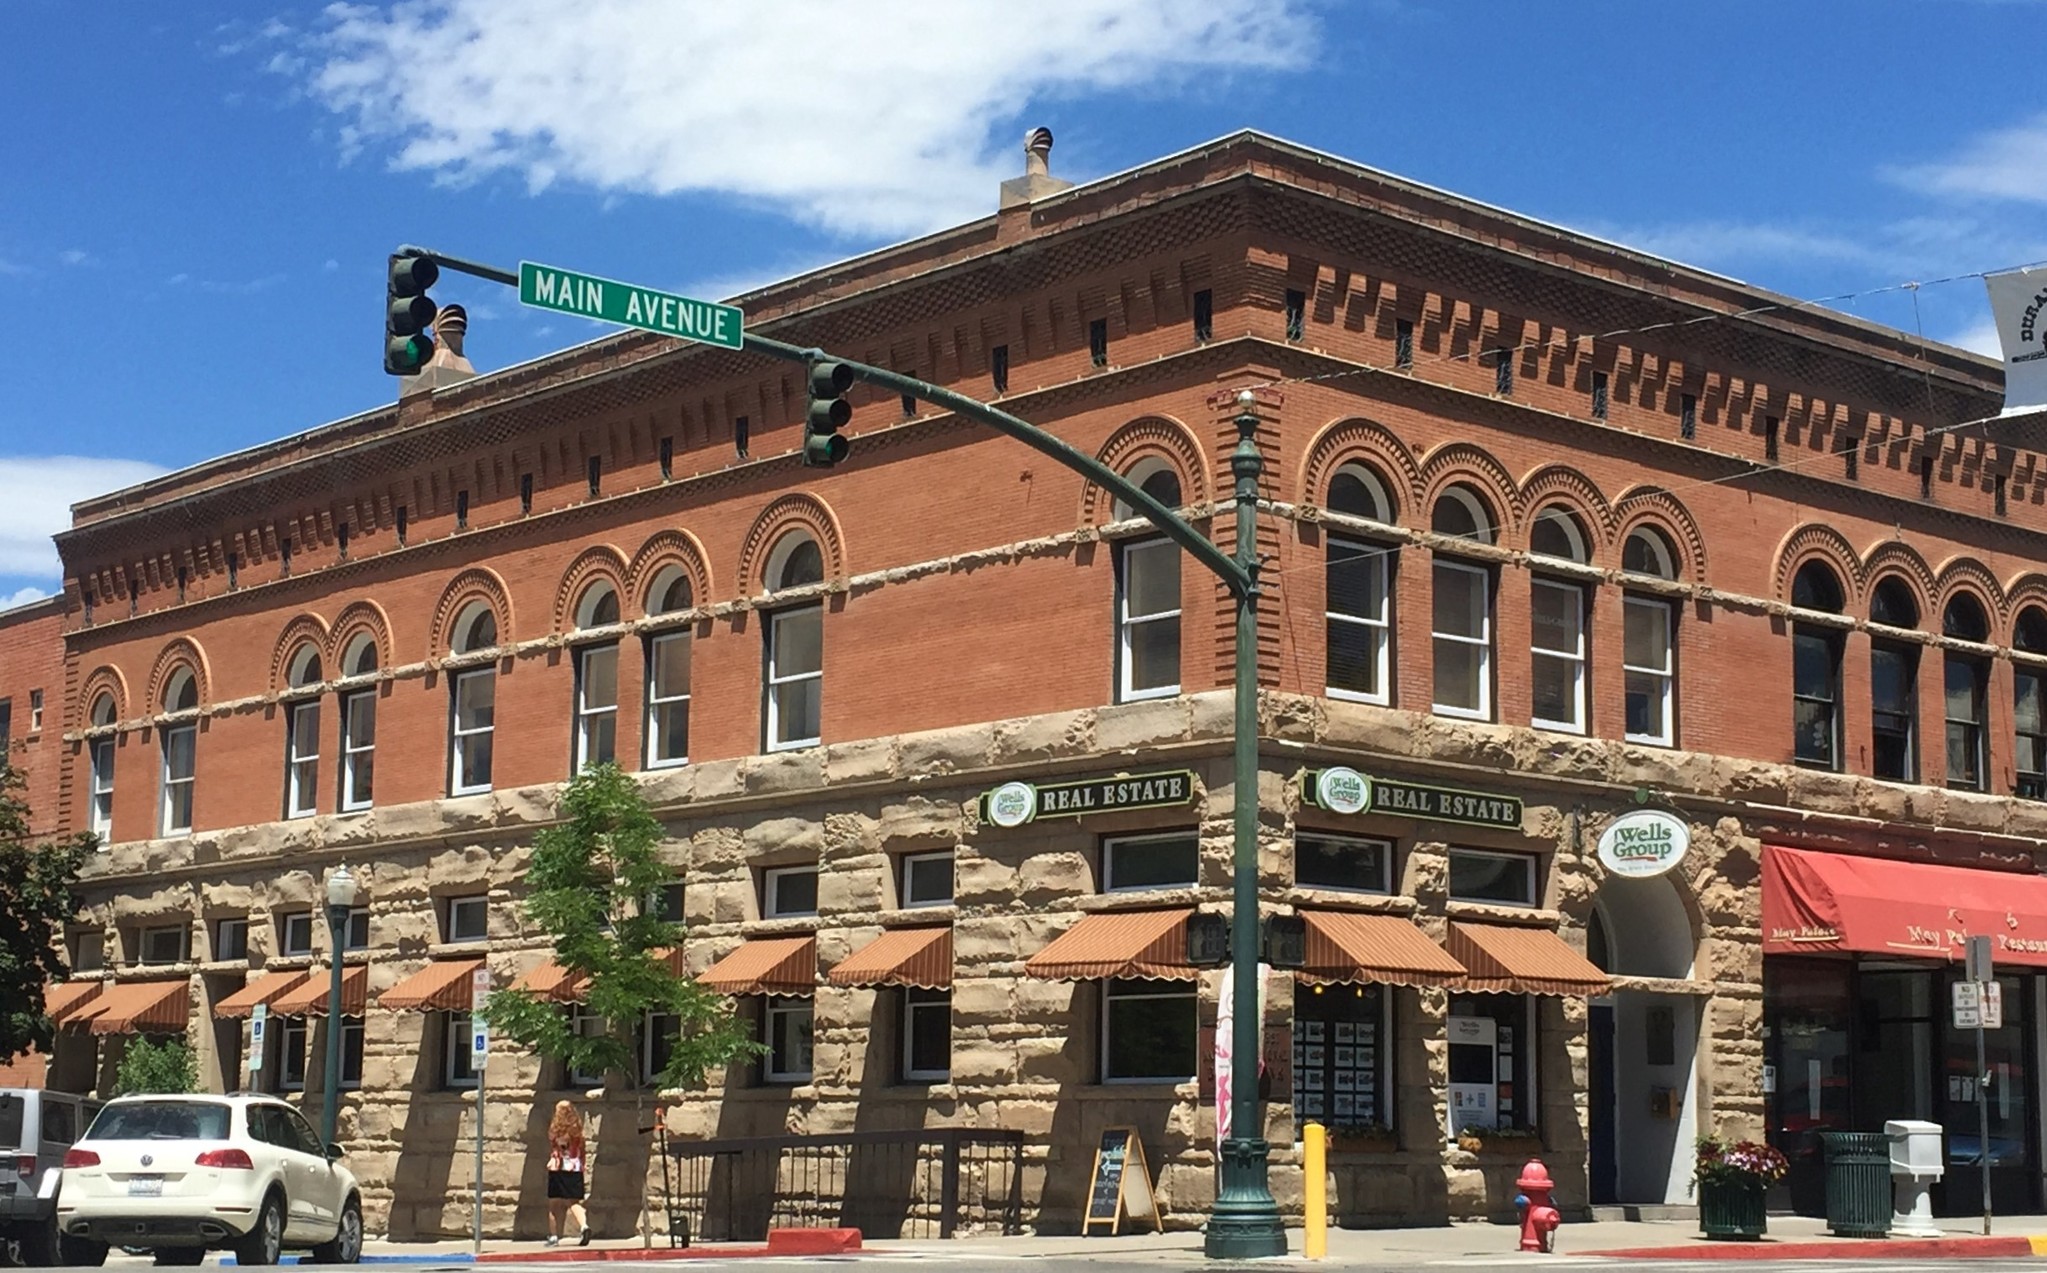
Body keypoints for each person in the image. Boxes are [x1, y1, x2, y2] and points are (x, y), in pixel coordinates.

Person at [544, 1100, 591, 1247]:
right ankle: (584, 1226)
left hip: (558, 1168)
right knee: (574, 1202)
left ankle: (554, 1236)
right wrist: (583, 1164)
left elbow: (555, 1148)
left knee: (554, 1204)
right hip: (575, 1167)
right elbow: (582, 1150)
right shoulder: (577, 1131)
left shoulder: (555, 1130)